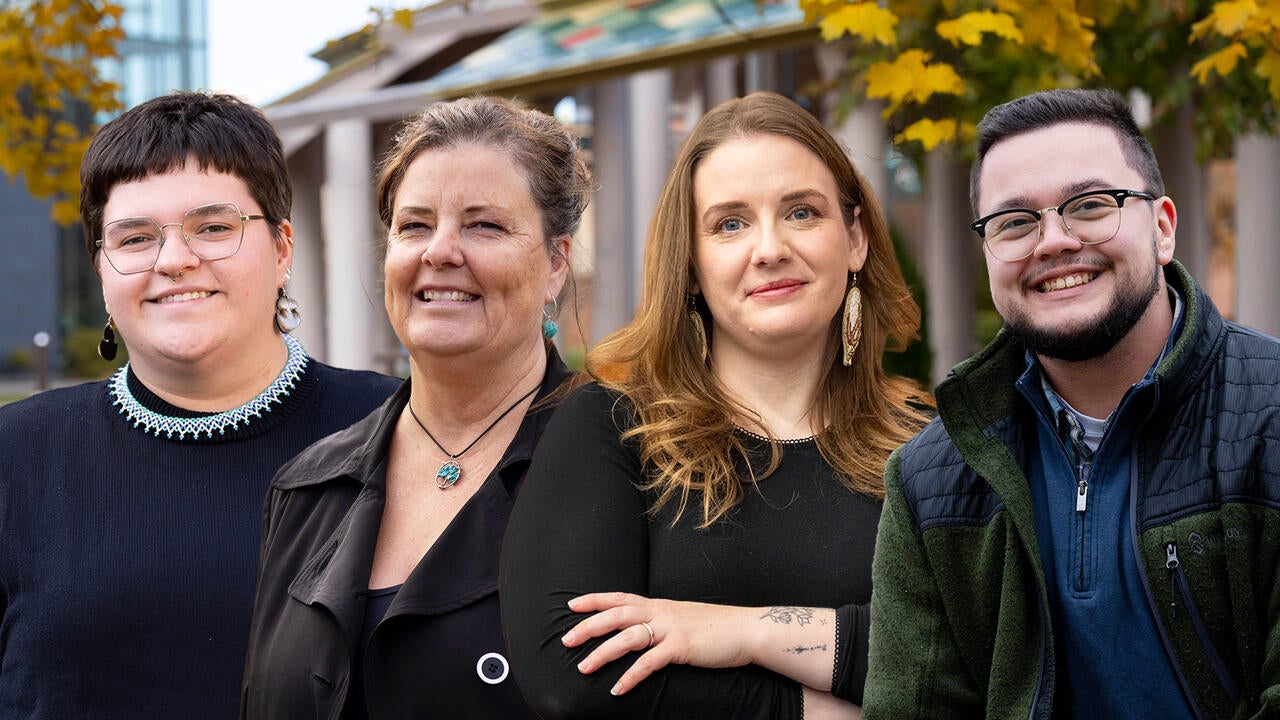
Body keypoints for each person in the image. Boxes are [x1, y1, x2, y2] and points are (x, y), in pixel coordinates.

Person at [500, 91, 931, 719]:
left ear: (856, 238)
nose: (769, 248)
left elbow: (968, 655)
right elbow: (574, 674)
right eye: (730, 223)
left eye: (802, 213)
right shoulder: (613, 429)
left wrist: (743, 633)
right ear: (694, 266)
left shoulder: (928, 453)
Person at [863, 88, 1280, 719]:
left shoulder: (1270, 421)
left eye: (1089, 206)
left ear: (1162, 227)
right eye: (1014, 222)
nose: (1053, 242)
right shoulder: (931, 482)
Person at [0, 92, 398, 719]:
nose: (174, 260)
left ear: (283, 249)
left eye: (213, 228)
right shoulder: (16, 452)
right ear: (103, 270)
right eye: (133, 238)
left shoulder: (398, 433)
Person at [240, 96, 590, 719]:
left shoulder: (639, 466)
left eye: (484, 225)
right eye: (415, 226)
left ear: (556, 264)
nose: (441, 252)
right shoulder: (307, 489)